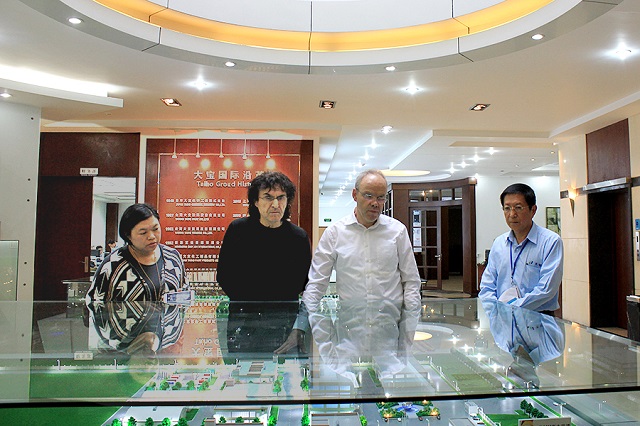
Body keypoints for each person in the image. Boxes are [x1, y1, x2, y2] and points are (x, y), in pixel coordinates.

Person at [302, 169, 422, 360]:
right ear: (354, 195)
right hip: (349, 337)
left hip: (389, 337)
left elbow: (411, 281)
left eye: (381, 197)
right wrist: (312, 333)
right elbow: (316, 285)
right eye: (368, 195)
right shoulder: (334, 233)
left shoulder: (397, 231)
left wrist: (410, 326)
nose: (375, 203)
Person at [216, 171, 312, 354]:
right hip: (244, 322)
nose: (275, 204)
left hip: (285, 325)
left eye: (281, 198)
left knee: (285, 372)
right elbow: (225, 276)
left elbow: (304, 283)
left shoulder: (298, 237)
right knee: (244, 371)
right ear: (255, 201)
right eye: (268, 197)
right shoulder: (238, 231)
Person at [479, 183, 563, 315]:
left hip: (538, 317)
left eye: (518, 208)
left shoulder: (550, 242)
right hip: (502, 316)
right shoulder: (499, 243)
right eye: (507, 208)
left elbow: (546, 290)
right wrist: (494, 308)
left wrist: (511, 307)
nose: (512, 214)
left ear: (533, 210)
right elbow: (487, 284)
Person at [86, 203, 190, 303]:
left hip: (170, 316)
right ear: (128, 235)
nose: (152, 236)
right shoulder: (112, 266)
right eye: (143, 233)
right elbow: (95, 305)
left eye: (155, 229)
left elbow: (185, 292)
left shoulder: (172, 257)